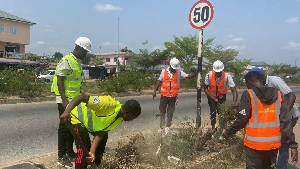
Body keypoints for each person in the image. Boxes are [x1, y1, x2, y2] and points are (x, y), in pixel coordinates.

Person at [222, 71, 298, 169]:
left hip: (254, 145)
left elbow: (241, 119)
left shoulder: (248, 94)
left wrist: (228, 132)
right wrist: (293, 145)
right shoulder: (278, 95)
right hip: (272, 146)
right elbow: (286, 122)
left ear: (249, 83)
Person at [59, 93, 141, 168]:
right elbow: (81, 97)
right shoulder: (107, 104)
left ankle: (95, 164)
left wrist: (92, 152)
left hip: (87, 123)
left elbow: (102, 133)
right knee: (84, 149)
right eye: (132, 117)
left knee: (102, 140)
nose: (132, 120)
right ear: (127, 113)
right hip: (74, 116)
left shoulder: (119, 118)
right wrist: (67, 112)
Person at [51, 37, 92, 167]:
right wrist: (63, 100)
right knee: (64, 128)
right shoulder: (66, 60)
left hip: (72, 101)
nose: (85, 54)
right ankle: (61, 156)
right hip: (65, 100)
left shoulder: (76, 61)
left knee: (71, 127)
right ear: (77, 48)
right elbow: (60, 80)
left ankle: (69, 152)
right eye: (84, 51)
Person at [249, 67, 300, 169]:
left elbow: (292, 96)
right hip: (274, 118)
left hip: (289, 115)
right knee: (271, 142)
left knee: (283, 144)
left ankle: (281, 167)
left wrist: (283, 114)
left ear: (262, 77)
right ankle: (271, 165)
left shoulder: (275, 81)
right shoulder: (257, 86)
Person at [152, 58, 197, 134]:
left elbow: (188, 76)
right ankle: (162, 127)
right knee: (162, 111)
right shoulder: (164, 72)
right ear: (170, 66)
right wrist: (155, 91)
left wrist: (195, 74)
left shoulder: (179, 72)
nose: (174, 70)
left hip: (173, 97)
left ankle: (167, 127)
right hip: (164, 96)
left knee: (170, 112)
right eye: (173, 68)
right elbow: (159, 81)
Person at [204, 60, 238, 129]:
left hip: (221, 97)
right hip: (211, 96)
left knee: (222, 113)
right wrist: (212, 98)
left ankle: (223, 129)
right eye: (216, 72)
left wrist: (234, 103)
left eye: (219, 72)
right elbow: (205, 88)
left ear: (222, 70)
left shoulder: (227, 76)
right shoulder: (209, 75)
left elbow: (234, 90)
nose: (217, 73)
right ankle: (213, 129)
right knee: (213, 112)